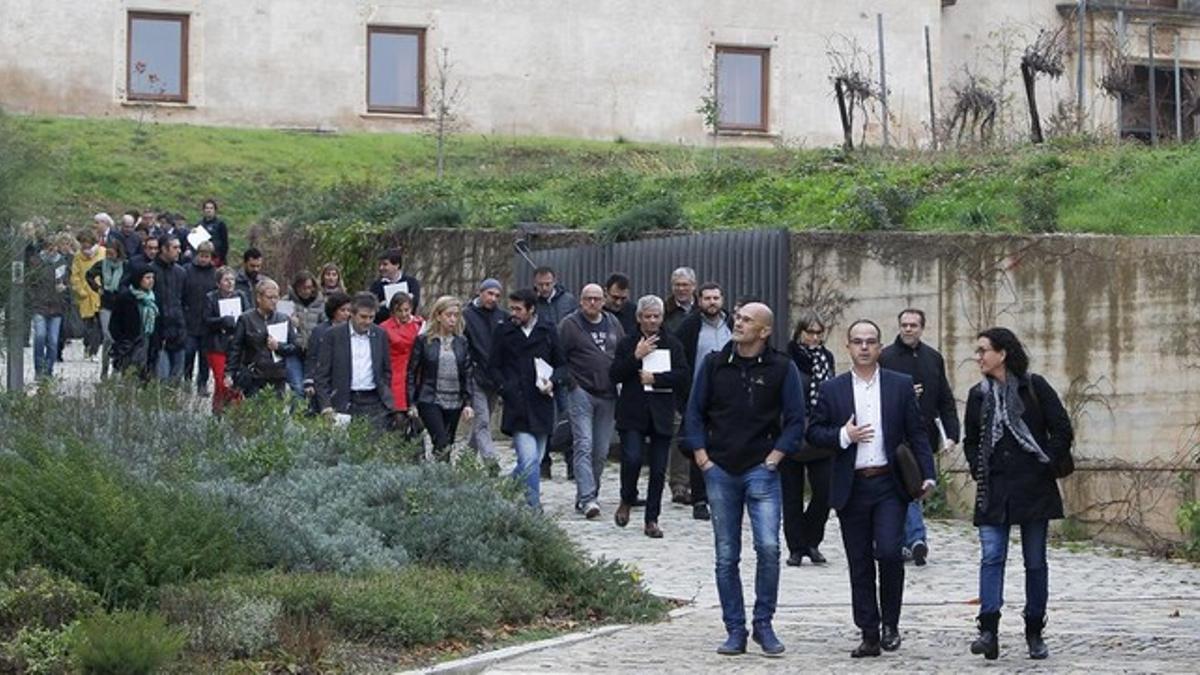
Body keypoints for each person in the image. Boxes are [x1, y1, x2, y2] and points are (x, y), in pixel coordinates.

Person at [805, 319, 936, 658]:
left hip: (889, 484)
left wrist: (928, 474)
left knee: (890, 552)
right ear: (847, 347)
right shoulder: (833, 389)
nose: (864, 347)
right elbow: (814, 432)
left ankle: (891, 622)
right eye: (857, 341)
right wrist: (843, 436)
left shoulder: (899, 385)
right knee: (859, 560)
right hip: (852, 485)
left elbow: (917, 433)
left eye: (871, 341)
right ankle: (869, 631)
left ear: (880, 347)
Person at [681, 302, 805, 657]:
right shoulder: (714, 364)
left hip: (762, 469)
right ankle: (735, 628)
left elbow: (796, 419)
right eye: (738, 317)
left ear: (764, 331)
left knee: (768, 548)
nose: (738, 322)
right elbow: (693, 414)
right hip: (720, 469)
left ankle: (763, 624)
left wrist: (776, 456)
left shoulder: (782, 367)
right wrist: (702, 459)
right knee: (725, 555)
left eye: (747, 319)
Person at [964, 327, 1073, 662]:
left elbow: (1062, 429)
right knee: (991, 557)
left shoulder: (1033, 386)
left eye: (984, 350)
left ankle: (1034, 629)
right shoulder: (978, 395)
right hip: (993, 489)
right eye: (978, 351)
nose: (979, 357)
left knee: (1035, 562)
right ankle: (988, 630)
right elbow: (971, 440)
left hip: (1033, 489)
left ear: (1003, 353)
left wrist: (1044, 462)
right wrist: (978, 468)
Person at [879, 308, 961, 567]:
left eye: (913, 325)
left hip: (923, 437)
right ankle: (915, 539)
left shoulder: (933, 358)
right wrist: (902, 394)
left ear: (922, 328)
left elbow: (945, 399)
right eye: (904, 324)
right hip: (893, 436)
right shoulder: (886, 357)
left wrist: (951, 435)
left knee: (914, 489)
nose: (908, 329)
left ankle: (906, 542)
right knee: (908, 488)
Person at [611, 295, 688, 538]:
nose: (652, 321)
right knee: (632, 458)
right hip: (632, 412)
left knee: (657, 470)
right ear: (639, 318)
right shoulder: (627, 343)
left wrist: (656, 379)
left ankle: (651, 519)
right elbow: (614, 374)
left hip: (661, 413)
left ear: (662, 318)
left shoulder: (673, 344)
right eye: (647, 316)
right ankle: (627, 497)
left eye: (656, 316)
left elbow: (683, 375)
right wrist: (636, 356)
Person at [488, 288, 565, 509]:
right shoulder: (503, 332)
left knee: (533, 461)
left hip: (541, 402)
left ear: (531, 309)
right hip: (517, 405)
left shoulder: (548, 331)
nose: (513, 313)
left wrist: (553, 381)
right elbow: (493, 366)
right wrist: (506, 388)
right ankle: (534, 508)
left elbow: (562, 365)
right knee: (530, 460)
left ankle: (505, 487)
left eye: (518, 309)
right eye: (511, 308)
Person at [559, 283, 625, 518]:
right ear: (581, 300)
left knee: (601, 450)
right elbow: (559, 356)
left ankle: (589, 493)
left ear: (604, 300)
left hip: (608, 393)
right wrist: (571, 383)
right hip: (581, 391)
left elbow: (622, 353)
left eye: (597, 298)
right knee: (584, 444)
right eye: (588, 299)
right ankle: (588, 498)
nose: (593, 303)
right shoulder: (570, 325)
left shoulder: (613, 323)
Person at [781, 309, 838, 567]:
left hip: (821, 431)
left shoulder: (827, 358)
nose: (814, 337)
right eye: (810, 332)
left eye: (818, 332)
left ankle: (812, 539)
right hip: (793, 431)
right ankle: (796, 547)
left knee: (825, 492)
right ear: (800, 332)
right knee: (791, 495)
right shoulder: (788, 359)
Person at [675, 281, 733, 521]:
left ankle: (725, 494)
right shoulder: (690, 326)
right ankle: (699, 498)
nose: (712, 302)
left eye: (716, 298)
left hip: (730, 396)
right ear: (699, 301)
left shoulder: (732, 323)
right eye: (707, 298)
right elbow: (680, 360)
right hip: (700, 395)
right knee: (699, 446)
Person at [315, 293, 397, 429]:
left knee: (374, 447)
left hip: (374, 400)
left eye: (371, 317)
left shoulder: (380, 334)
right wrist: (326, 405)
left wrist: (385, 390)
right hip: (343, 400)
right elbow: (321, 374)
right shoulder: (333, 335)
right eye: (363, 317)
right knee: (342, 447)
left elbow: (386, 368)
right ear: (351, 314)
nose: (367, 321)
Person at [408, 296, 475, 460]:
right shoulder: (424, 341)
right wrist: (411, 402)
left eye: (456, 315)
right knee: (442, 443)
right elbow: (412, 372)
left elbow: (467, 373)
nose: (453, 319)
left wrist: (468, 403)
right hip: (430, 398)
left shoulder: (461, 341)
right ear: (438, 316)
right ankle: (442, 478)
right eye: (449, 315)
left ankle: (439, 478)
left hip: (455, 401)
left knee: (448, 444)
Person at [533, 265, 576, 479]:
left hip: (565, 362)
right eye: (540, 285)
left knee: (568, 415)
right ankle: (544, 462)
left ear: (554, 281)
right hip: (542, 363)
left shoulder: (568, 301)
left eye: (547, 284)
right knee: (544, 416)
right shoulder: (532, 304)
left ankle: (571, 462)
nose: (544, 288)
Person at [226, 279, 298, 399]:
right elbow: (235, 348)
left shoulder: (284, 319)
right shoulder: (246, 319)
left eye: (276, 297)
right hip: (254, 377)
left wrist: (279, 346)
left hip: (277, 377)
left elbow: (294, 347)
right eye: (270, 297)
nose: (274, 301)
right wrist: (229, 373)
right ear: (259, 298)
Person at [664, 266, 699, 504]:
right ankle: (678, 482)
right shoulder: (665, 313)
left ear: (694, 286)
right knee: (678, 431)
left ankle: (699, 483)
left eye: (685, 284)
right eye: (677, 284)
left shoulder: (704, 310)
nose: (681, 288)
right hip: (676, 379)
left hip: (700, 376)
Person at [463, 278, 508, 461]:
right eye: (490, 293)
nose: (493, 298)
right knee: (482, 421)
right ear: (480, 292)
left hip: (495, 377)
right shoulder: (467, 315)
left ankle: (466, 460)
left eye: (497, 295)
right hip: (476, 374)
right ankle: (491, 462)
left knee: (483, 420)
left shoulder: (502, 317)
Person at [204, 267, 251, 414]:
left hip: (237, 345)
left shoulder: (241, 296)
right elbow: (206, 320)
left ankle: (234, 412)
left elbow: (249, 314)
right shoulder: (211, 297)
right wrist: (221, 321)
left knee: (236, 381)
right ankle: (218, 410)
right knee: (221, 381)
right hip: (218, 345)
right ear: (218, 283)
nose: (230, 283)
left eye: (232, 279)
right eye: (226, 280)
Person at [303, 292, 354, 412]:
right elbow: (312, 357)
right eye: (342, 310)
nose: (346, 314)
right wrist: (309, 381)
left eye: (349, 310)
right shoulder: (320, 331)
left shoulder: (353, 331)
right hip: (324, 379)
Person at [28, 235, 70, 378]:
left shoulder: (62, 262)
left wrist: (64, 290)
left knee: (53, 340)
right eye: (49, 247)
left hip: (57, 306)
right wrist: (33, 299)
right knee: (40, 336)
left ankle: (49, 370)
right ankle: (39, 370)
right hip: (39, 305)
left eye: (54, 247)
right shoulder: (36, 261)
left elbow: (68, 282)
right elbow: (30, 283)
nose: (52, 250)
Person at [86, 238, 126, 379]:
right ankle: (104, 369)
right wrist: (97, 288)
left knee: (119, 338)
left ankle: (117, 367)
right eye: (107, 253)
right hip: (106, 304)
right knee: (108, 336)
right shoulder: (102, 265)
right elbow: (89, 275)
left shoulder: (125, 266)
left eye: (112, 253)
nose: (109, 256)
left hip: (121, 306)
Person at [182, 241, 218, 395]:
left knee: (205, 357)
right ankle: (187, 380)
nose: (204, 259)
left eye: (207, 256)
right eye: (201, 256)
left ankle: (202, 383)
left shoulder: (215, 273)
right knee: (188, 353)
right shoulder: (187, 271)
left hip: (207, 323)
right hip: (190, 318)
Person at [109, 263, 157, 379]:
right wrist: (123, 341)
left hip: (148, 344)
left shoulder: (153, 298)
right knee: (130, 377)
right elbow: (114, 324)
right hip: (130, 345)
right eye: (147, 278)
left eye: (152, 278)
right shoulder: (126, 298)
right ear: (138, 279)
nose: (151, 281)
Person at [151, 235, 188, 382]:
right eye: (175, 248)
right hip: (158, 333)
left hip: (178, 331)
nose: (179, 251)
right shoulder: (151, 271)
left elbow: (185, 300)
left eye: (179, 247)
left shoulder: (181, 273)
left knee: (176, 377)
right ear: (163, 249)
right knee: (162, 377)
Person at [381, 292, 423, 415]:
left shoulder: (419, 325)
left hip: (415, 371)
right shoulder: (384, 328)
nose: (404, 314)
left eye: (407, 310)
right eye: (399, 311)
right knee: (397, 410)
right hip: (395, 371)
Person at [285, 271, 325, 397]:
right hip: (294, 350)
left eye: (309, 287)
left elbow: (325, 324)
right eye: (302, 288)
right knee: (297, 387)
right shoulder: (287, 303)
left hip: (314, 352)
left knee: (313, 387)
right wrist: (290, 323)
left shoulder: (321, 303)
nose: (306, 291)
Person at [69, 230, 105, 359]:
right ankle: (88, 346)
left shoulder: (102, 252)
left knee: (100, 324)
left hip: (100, 292)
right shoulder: (78, 257)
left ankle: (94, 350)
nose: (85, 246)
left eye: (88, 243)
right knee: (88, 324)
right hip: (86, 295)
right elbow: (75, 275)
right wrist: (80, 290)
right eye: (83, 243)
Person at [369, 248, 422, 321]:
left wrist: (385, 304)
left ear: (397, 265)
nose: (381, 268)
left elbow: (413, 305)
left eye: (385, 264)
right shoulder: (376, 286)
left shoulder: (411, 283)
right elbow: (374, 310)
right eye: (380, 265)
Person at [197, 199, 230, 266]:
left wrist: (221, 258)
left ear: (215, 210)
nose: (209, 210)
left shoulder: (221, 224)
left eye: (211, 208)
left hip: (217, 259)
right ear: (203, 210)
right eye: (207, 208)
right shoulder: (199, 225)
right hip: (202, 259)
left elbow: (225, 243)